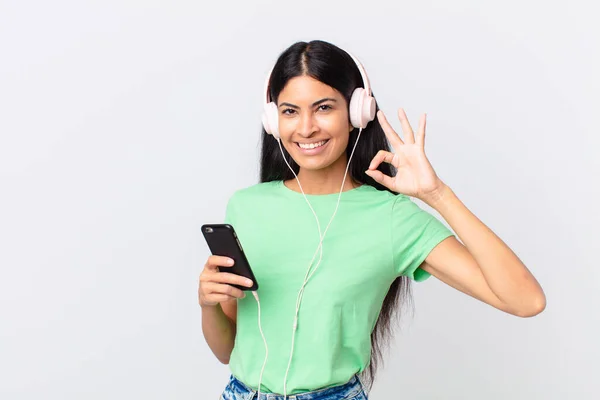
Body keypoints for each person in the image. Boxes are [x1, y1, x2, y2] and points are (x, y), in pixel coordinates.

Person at [198, 40, 546, 400]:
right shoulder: (246, 207)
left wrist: (437, 195)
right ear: (273, 120)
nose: (305, 128)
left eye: (323, 108)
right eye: (289, 111)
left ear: (356, 113)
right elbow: (228, 350)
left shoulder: (392, 219)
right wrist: (208, 304)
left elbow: (525, 300)